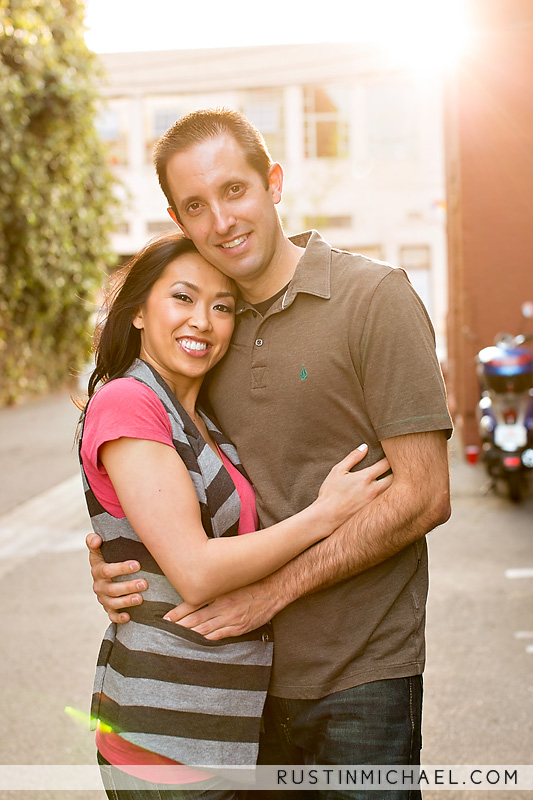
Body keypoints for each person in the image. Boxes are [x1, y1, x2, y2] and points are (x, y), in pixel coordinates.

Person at [88, 108, 453, 799]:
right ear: (176, 217)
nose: (222, 219)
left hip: (358, 675)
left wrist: (272, 593)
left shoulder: (373, 299)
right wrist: (114, 560)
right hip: (231, 690)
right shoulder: (201, 338)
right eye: (195, 205)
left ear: (273, 184)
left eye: (234, 190)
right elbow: (158, 482)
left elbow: (424, 493)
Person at [79, 231, 392, 798]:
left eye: (221, 306)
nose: (202, 320)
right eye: (182, 298)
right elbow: (195, 570)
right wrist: (323, 515)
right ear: (138, 313)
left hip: (220, 725)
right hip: (166, 728)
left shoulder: (199, 416)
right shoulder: (129, 400)